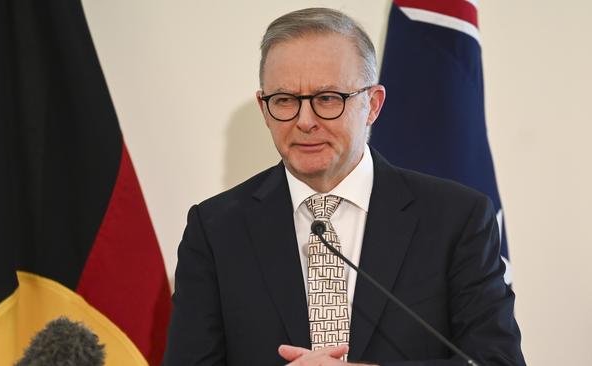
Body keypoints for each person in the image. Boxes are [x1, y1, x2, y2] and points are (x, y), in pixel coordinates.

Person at [164, 7, 525, 366]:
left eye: (327, 99)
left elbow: (497, 361)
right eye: (285, 100)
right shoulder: (215, 230)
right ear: (264, 107)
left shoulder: (456, 218)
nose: (305, 121)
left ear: (372, 105)